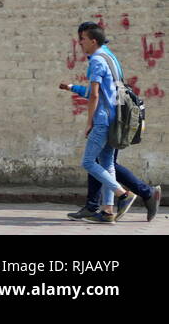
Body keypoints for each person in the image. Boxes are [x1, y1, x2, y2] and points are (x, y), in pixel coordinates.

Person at [60, 24, 161, 222]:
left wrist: (89, 122)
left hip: (103, 120)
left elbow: (95, 94)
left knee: (88, 162)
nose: (80, 43)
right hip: (117, 119)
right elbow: (107, 91)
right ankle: (107, 211)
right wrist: (73, 88)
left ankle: (123, 194)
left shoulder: (96, 60)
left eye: (82, 39)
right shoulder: (110, 57)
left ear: (93, 41)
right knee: (107, 164)